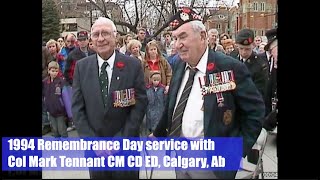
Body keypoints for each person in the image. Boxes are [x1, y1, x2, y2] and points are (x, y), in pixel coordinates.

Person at [150, 7, 265, 179]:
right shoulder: (180, 65)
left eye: (183, 36)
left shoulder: (228, 67)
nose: (177, 44)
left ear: (203, 36)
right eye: (175, 38)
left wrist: (236, 152)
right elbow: (172, 105)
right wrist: (158, 134)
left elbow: (255, 112)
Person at [72, 17, 148, 179]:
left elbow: (140, 105)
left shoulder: (132, 65)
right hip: (95, 152)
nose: (101, 38)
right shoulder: (82, 67)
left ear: (115, 36)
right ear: (91, 39)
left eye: (105, 33)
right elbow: (77, 109)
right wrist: (93, 142)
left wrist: (119, 140)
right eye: (96, 34)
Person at [42, 61, 68, 138]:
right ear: (48, 71)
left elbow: (66, 96)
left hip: (59, 110)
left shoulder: (61, 82)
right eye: (52, 71)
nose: (54, 73)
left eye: (56, 71)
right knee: (54, 129)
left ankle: (65, 144)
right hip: (50, 110)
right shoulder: (45, 82)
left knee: (61, 129)